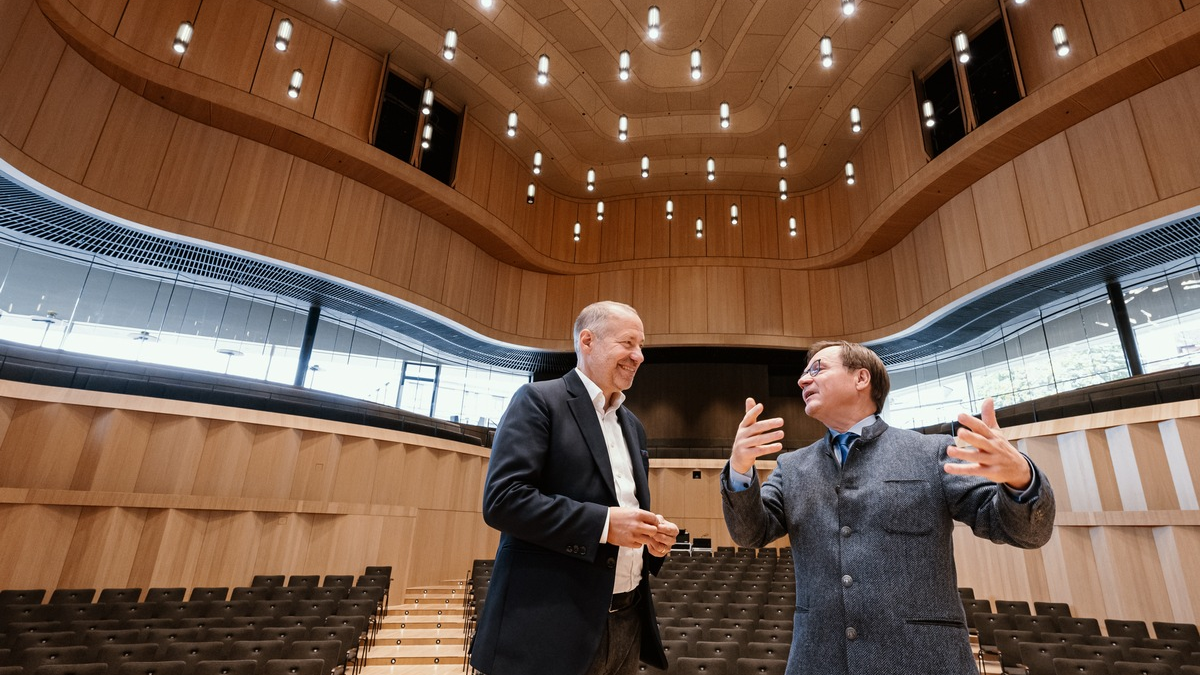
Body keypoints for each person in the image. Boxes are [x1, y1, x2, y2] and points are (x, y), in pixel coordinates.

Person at [721, 340, 1055, 675]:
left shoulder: (931, 452)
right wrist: (739, 469)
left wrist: (1020, 478)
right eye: (804, 373)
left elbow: (1023, 531)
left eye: (817, 368)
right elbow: (751, 533)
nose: (802, 380)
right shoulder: (792, 467)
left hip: (922, 661)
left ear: (861, 378)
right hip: (820, 660)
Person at [471, 301, 679, 675]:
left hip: (627, 622)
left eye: (641, 345)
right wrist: (605, 525)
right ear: (587, 341)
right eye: (628, 343)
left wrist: (651, 537)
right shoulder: (537, 401)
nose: (639, 356)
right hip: (552, 626)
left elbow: (620, 507)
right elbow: (503, 500)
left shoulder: (633, 426)